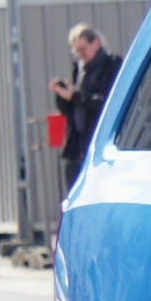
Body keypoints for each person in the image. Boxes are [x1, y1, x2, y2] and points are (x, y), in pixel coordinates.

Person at [49, 23, 122, 196]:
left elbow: (107, 103)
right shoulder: (79, 69)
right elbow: (70, 110)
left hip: (100, 143)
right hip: (77, 145)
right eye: (76, 51)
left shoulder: (112, 65)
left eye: (83, 49)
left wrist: (75, 96)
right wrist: (62, 95)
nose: (81, 55)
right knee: (74, 195)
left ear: (96, 43)